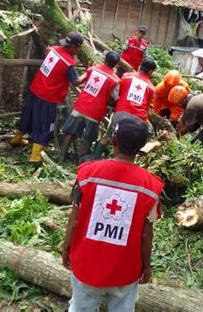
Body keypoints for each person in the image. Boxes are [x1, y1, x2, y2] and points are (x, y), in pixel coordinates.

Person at [62, 113, 164, 312]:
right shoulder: (151, 187)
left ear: (114, 141)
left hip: (87, 263)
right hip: (124, 269)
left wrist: (66, 249)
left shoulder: (86, 174)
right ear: (141, 148)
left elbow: (73, 222)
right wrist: (146, 266)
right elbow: (146, 235)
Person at [10, 32, 84, 163]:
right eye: (78, 48)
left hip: (35, 88)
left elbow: (47, 52)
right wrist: (89, 73)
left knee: (28, 115)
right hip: (48, 96)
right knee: (44, 125)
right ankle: (35, 156)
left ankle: (16, 138)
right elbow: (76, 82)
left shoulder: (53, 49)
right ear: (74, 47)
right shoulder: (69, 64)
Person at [60, 51, 121, 161]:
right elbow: (114, 98)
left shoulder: (92, 69)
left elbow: (78, 81)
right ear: (116, 64)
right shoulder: (115, 80)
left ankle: (61, 156)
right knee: (88, 137)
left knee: (70, 132)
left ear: (104, 59)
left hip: (81, 106)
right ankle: (82, 161)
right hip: (95, 112)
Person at [93, 58, 157, 157]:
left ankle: (94, 158)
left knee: (108, 136)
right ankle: (140, 158)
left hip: (120, 114)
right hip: (138, 119)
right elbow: (146, 108)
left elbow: (118, 94)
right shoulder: (151, 87)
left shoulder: (126, 76)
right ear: (150, 71)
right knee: (151, 137)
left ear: (140, 67)